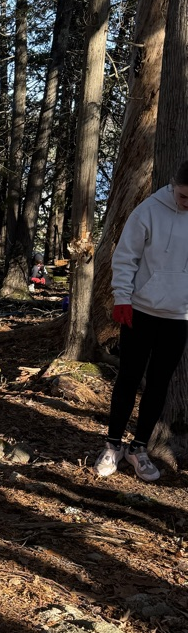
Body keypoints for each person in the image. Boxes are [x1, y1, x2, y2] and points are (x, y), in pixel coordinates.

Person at [94, 162, 188, 482]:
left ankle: (138, 448)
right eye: (183, 196)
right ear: (173, 185)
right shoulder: (148, 211)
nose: (186, 203)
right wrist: (122, 298)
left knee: (159, 384)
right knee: (128, 378)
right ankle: (112, 445)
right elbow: (125, 257)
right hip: (141, 310)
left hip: (178, 315)